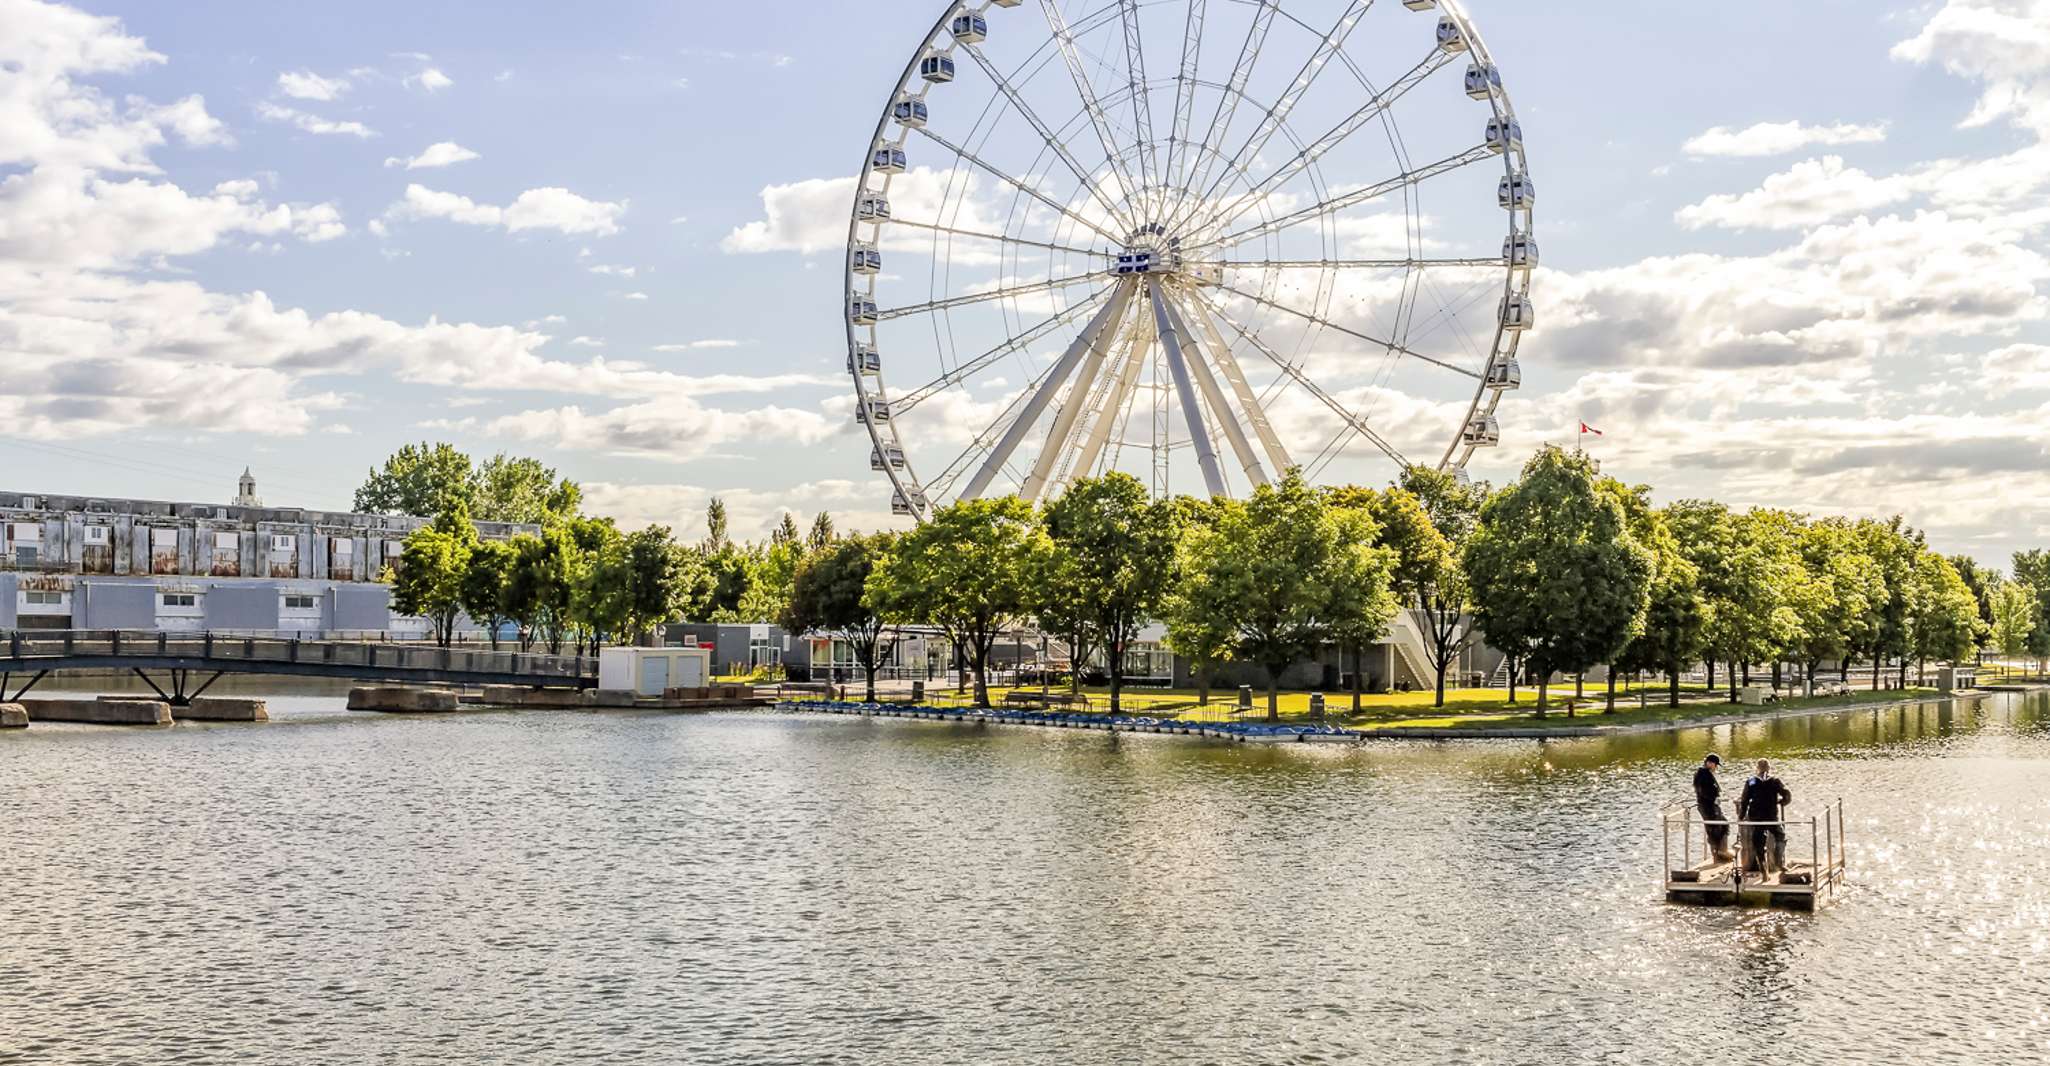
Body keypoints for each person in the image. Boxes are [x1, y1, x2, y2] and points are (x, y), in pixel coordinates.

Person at [1737, 759, 1793, 874]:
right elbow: (1787, 793)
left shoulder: (1751, 781)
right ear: (1769, 768)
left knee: (1758, 842)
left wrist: (1741, 816)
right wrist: (1783, 802)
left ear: (1757, 768)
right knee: (1780, 835)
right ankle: (1778, 862)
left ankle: (1763, 868)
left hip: (1756, 817)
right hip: (1771, 816)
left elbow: (1744, 800)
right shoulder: (1775, 780)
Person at [1693, 753, 1733, 862]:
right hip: (1708, 806)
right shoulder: (1703, 774)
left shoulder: (1705, 773)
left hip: (1710, 805)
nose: (1716, 768)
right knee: (1713, 830)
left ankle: (1721, 851)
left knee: (1723, 825)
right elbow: (1703, 791)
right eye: (1716, 765)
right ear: (1710, 763)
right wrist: (1713, 798)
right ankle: (1717, 855)